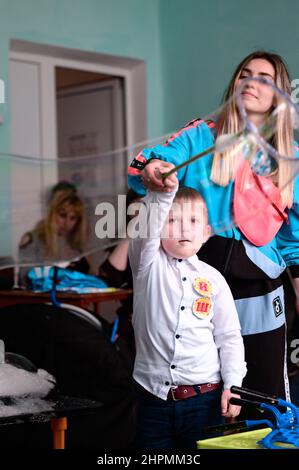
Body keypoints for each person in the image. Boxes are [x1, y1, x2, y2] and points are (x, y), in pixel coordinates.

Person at [128, 51, 299, 416]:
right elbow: (151, 163)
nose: (251, 82)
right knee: (205, 405)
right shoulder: (199, 137)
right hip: (198, 282)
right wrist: (155, 169)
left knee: (264, 404)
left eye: (264, 79)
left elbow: (294, 242)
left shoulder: (290, 159)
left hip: (262, 293)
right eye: (244, 74)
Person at [129, 181, 246, 449]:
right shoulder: (147, 267)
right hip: (153, 399)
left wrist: (233, 386)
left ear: (206, 233)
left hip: (204, 400)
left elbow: (229, 338)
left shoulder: (214, 279)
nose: (183, 228)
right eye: (172, 220)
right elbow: (145, 232)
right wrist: (164, 192)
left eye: (193, 220)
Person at [98, 189, 141, 350]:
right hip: (130, 323)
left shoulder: (170, 242)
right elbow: (108, 279)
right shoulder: (126, 239)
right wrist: (131, 232)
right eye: (137, 204)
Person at [19, 191, 90, 285]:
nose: (67, 223)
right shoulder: (33, 239)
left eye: (73, 218)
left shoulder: (76, 246)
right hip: (41, 296)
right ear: (52, 214)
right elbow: (25, 277)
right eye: (62, 215)